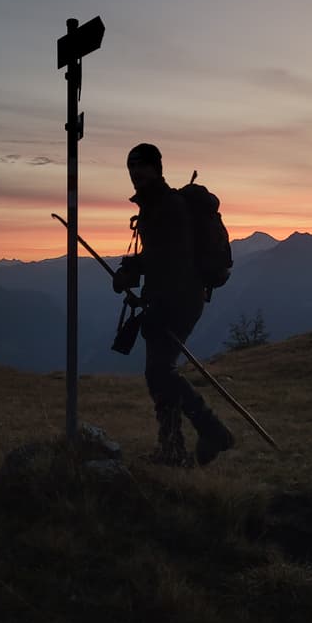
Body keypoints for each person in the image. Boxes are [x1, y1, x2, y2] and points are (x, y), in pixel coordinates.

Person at [113, 142, 236, 467]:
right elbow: (158, 256)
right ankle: (173, 448)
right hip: (172, 296)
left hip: (177, 299)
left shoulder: (168, 207)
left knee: (159, 370)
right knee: (159, 372)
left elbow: (174, 260)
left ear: (157, 168)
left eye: (141, 166)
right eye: (131, 168)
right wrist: (132, 271)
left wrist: (142, 281)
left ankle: (210, 431)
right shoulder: (155, 206)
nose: (135, 173)